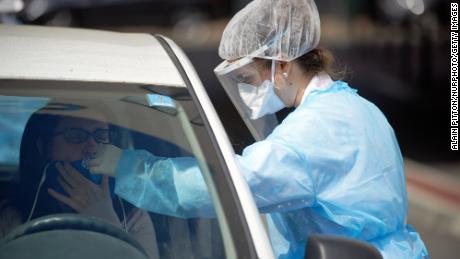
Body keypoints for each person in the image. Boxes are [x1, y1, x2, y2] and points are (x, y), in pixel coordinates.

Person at [86, 0, 429, 258]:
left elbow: (228, 187)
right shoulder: (359, 108)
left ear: (282, 64)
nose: (248, 92)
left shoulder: (309, 133)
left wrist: (130, 168)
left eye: (248, 79)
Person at [0, 109, 159, 259]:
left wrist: (103, 215)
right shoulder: (12, 215)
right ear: (44, 147)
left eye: (101, 136)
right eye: (75, 135)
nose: (92, 148)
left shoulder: (132, 216)